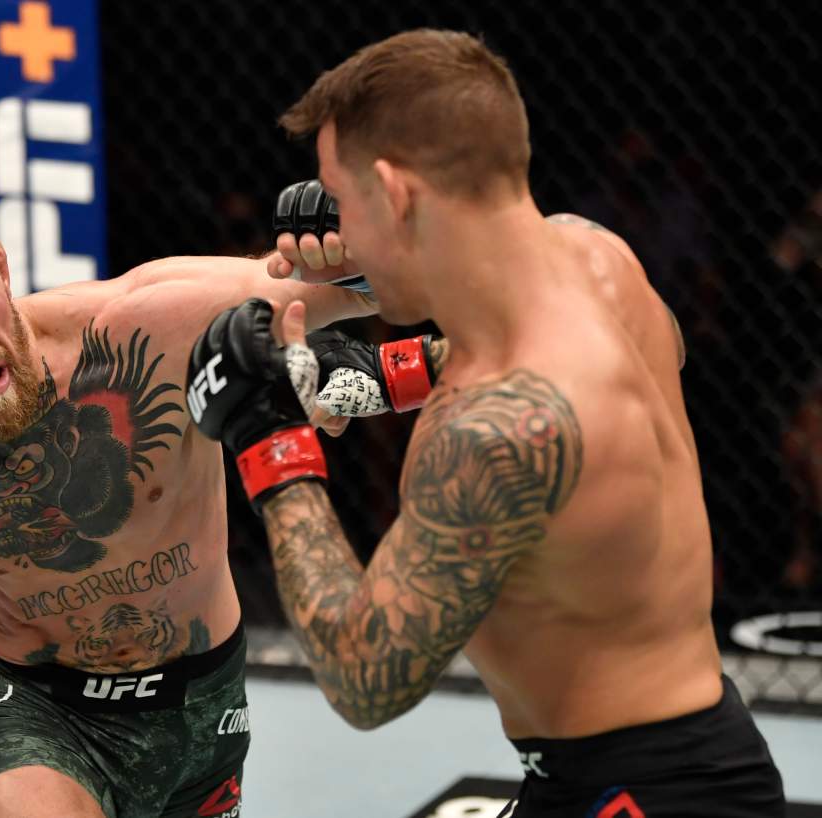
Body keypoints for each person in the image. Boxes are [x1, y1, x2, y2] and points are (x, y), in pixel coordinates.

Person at [187, 29, 786, 816]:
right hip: (676, 758)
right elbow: (631, 352)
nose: (342, 227)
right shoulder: (598, 258)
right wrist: (370, 363)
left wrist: (267, 439)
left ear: (397, 194)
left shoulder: (495, 433)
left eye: (346, 198)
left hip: (640, 794)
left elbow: (363, 676)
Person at [0, 193, 376, 818]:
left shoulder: (146, 324)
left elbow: (376, 281)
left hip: (205, 696)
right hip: (31, 705)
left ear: (2, 270)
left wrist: (344, 242)